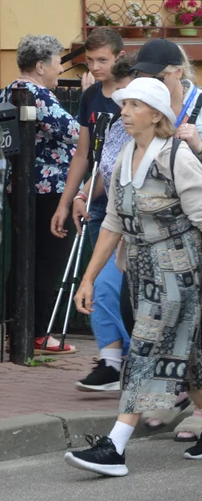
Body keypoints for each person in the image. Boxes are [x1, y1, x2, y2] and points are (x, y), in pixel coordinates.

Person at [66, 78, 202, 477]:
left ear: (157, 114)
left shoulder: (177, 156)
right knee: (185, 352)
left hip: (180, 270)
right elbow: (112, 223)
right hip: (142, 269)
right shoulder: (126, 153)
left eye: (134, 106)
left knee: (145, 347)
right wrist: (89, 278)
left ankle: (115, 446)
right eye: (124, 106)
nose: (124, 112)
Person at [124, 40, 202, 439]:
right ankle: (198, 404)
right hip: (148, 235)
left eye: (156, 75)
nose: (147, 82)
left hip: (197, 229)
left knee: (200, 322)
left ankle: (198, 411)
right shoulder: (136, 109)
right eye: (142, 75)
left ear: (178, 70)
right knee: (145, 317)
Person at [0, 35, 82, 354]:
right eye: (56, 61)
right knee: (49, 261)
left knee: (23, 259)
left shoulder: (9, 90)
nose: (60, 68)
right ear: (39, 65)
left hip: (20, 187)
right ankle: (37, 332)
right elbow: (76, 134)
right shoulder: (38, 94)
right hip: (51, 190)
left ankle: (14, 327)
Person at [70, 58, 134, 392]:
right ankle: (112, 363)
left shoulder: (167, 142)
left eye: (129, 100)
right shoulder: (115, 129)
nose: (122, 106)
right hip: (116, 221)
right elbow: (104, 174)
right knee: (102, 287)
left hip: (154, 234)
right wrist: (80, 194)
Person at [52, 28, 125, 248]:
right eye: (90, 61)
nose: (94, 67)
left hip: (125, 197)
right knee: (100, 270)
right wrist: (64, 203)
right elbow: (82, 154)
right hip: (96, 197)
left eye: (102, 60)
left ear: (119, 57)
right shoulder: (90, 95)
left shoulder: (132, 93)